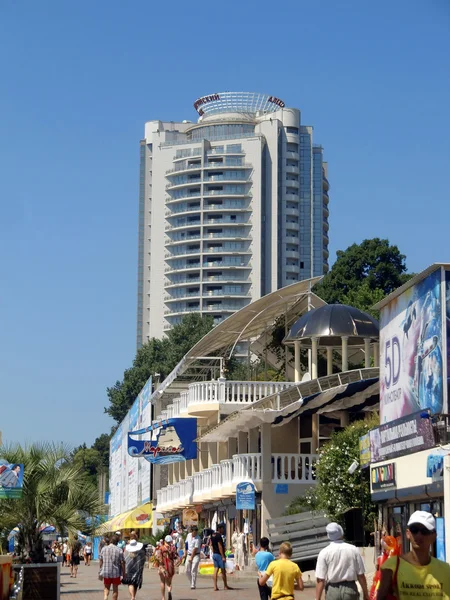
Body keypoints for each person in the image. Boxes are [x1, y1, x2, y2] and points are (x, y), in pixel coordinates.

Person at [378, 511, 450, 600]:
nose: (419, 535)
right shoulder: (392, 566)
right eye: (414, 530)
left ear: (434, 536)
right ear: (408, 533)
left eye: (424, 531)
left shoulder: (446, 570)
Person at [315, 522, 369, 600]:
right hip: (350, 590)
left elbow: (320, 579)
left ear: (329, 535)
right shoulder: (353, 549)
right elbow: (361, 575)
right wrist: (366, 594)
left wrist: (317, 598)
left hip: (332, 591)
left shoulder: (324, 552)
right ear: (341, 533)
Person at [100, 534, 126, 600]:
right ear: (117, 542)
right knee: (115, 589)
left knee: (106, 587)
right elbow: (122, 562)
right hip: (116, 572)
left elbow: (101, 560)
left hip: (106, 571)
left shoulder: (104, 549)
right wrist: (124, 573)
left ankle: (105, 596)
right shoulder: (119, 550)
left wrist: (101, 569)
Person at [153, 534, 179, 600]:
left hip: (163, 566)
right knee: (169, 582)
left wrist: (160, 565)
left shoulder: (161, 548)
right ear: (170, 541)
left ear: (165, 541)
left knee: (162, 582)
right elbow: (175, 556)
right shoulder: (173, 548)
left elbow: (158, 557)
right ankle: (169, 591)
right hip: (170, 567)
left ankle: (163, 597)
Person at [124, 533, 146, 600]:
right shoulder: (141, 550)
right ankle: (133, 596)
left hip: (129, 568)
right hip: (137, 568)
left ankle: (132, 597)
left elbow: (124, 558)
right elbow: (143, 559)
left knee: (130, 583)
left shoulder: (126, 549)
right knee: (136, 583)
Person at [210, 523, 232, 591]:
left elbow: (211, 545)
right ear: (219, 529)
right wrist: (223, 556)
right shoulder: (219, 536)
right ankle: (225, 585)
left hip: (215, 554)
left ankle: (215, 586)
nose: (223, 530)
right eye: (222, 528)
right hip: (219, 555)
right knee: (223, 570)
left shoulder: (212, 535)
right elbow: (219, 546)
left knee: (215, 570)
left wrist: (213, 552)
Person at [186, 525, 201, 590]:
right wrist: (185, 553)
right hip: (188, 554)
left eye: (196, 532)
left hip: (196, 555)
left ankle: (193, 584)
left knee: (193, 569)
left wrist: (191, 558)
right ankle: (191, 581)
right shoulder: (188, 535)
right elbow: (186, 544)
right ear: (191, 531)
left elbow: (195, 549)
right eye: (194, 532)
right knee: (187, 570)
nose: (195, 533)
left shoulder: (198, 538)